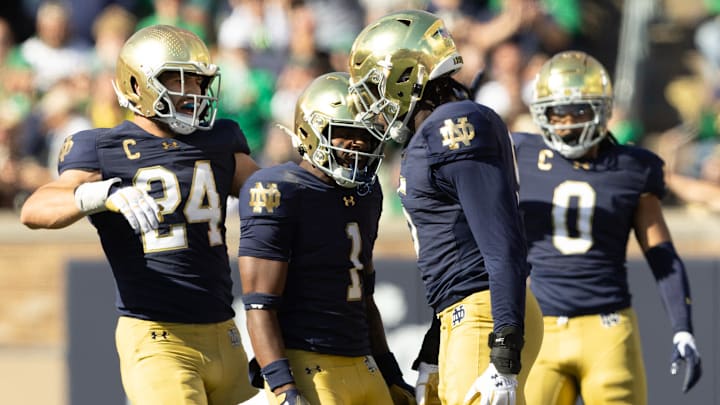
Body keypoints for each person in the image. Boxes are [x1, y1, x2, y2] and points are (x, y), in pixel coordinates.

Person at [19, 25, 259, 405]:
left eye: (197, 82)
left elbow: (268, 195)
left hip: (227, 333)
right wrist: (99, 193)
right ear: (137, 84)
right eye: (178, 81)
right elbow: (34, 210)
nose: (193, 93)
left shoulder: (220, 139)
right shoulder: (103, 147)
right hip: (158, 335)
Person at [347, 9, 543, 405]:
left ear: (406, 75)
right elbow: (460, 246)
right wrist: (434, 349)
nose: (374, 103)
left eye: (376, 86)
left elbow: (500, 245)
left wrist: (503, 347)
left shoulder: (453, 124)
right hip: (467, 312)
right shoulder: (439, 127)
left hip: (485, 313)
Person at [513, 50, 702, 404]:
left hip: (608, 329)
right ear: (542, 112)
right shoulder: (519, 153)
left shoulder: (633, 167)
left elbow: (662, 256)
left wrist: (683, 329)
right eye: (558, 111)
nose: (567, 121)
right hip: (540, 328)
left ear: (601, 109)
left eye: (579, 110)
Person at [237, 71, 416, 405]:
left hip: (363, 362)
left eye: (366, 134)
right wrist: (283, 386)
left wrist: (391, 373)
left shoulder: (367, 193)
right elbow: (260, 305)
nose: (359, 144)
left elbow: (364, 296)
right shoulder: (279, 189)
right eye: (346, 132)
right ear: (312, 130)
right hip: (310, 367)